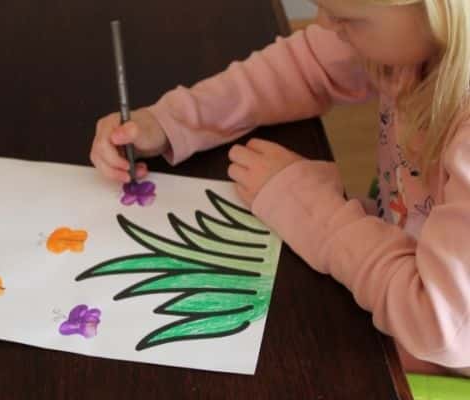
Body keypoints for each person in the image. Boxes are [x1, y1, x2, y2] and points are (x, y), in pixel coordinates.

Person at [90, 0, 470, 376]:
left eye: (347, 18)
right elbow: (305, 66)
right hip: (406, 262)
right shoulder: (420, 33)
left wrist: (314, 213)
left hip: (438, 346)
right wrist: (171, 120)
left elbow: (441, 326)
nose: (321, 22)